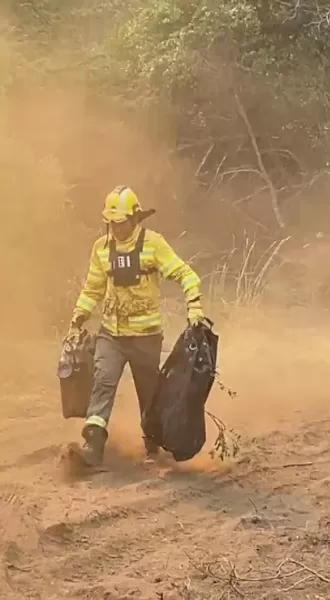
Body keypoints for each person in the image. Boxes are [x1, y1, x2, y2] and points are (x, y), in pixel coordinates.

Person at [68, 185, 205, 466]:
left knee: (149, 395)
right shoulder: (101, 248)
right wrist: (79, 316)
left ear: (134, 218)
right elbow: (93, 288)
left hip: (146, 337)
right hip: (111, 335)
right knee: (103, 382)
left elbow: (185, 274)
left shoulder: (153, 244)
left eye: (120, 223)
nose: (115, 229)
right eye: (111, 224)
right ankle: (92, 448)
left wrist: (195, 308)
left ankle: (152, 447)